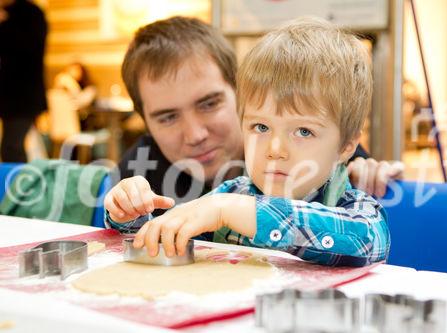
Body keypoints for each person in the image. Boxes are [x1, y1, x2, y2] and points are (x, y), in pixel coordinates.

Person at [105, 17, 390, 267]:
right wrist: (129, 216)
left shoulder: (350, 205)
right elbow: (172, 237)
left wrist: (235, 211)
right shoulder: (231, 193)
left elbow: (368, 239)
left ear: (346, 148)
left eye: (303, 131)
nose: (275, 149)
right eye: (261, 126)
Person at [0, 0, 47, 162]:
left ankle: (17, 185)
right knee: (12, 146)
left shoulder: (29, 14)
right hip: (16, 97)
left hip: (21, 97)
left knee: (11, 147)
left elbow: (23, 48)